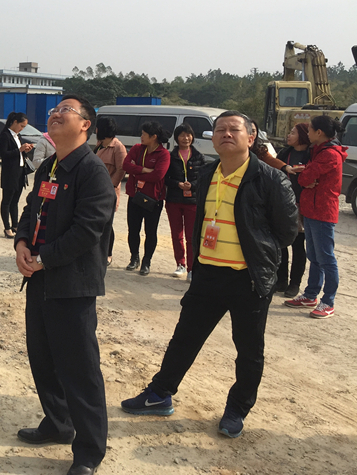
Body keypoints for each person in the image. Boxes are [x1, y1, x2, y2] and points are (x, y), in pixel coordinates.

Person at [120, 111, 297, 438]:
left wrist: (258, 255)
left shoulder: (271, 179)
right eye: (220, 130)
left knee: (248, 350)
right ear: (212, 138)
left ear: (250, 138)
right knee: (184, 338)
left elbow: (287, 231)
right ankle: (159, 394)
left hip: (249, 279)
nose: (226, 134)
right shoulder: (206, 173)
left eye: (234, 129)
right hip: (207, 275)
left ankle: (237, 409)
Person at [14, 95, 116, 475]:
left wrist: (43, 258)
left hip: (72, 285)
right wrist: (22, 244)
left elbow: (87, 230)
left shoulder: (92, 172)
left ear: (85, 125)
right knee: (43, 358)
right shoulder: (50, 166)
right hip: (40, 278)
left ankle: (89, 451)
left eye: (65, 111)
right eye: (54, 111)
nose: (55, 115)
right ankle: (58, 423)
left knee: (79, 369)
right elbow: (31, 210)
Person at [284, 116, 346, 319]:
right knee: (314, 256)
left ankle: (328, 301)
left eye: (310, 129)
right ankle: (311, 294)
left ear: (319, 133)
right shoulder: (318, 151)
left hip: (322, 211)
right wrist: (306, 175)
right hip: (311, 209)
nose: (307, 133)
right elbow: (308, 176)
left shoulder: (329, 154)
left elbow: (305, 178)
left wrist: (304, 175)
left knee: (326, 258)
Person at [122, 121, 170, 275]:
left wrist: (136, 173)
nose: (141, 137)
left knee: (150, 231)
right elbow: (125, 165)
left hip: (153, 199)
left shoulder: (163, 154)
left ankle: (146, 261)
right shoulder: (137, 148)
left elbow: (158, 175)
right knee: (133, 229)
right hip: (135, 196)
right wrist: (144, 169)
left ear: (153, 137)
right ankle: (134, 257)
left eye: (144, 134)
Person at [164, 124, 207, 279]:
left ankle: (191, 268)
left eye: (188, 135)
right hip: (174, 200)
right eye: (182, 135)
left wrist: (192, 185)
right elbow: (165, 178)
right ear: (176, 138)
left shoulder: (199, 157)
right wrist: (178, 184)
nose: (186, 138)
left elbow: (204, 178)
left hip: (192, 201)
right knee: (176, 235)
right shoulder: (170, 156)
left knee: (191, 236)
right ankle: (180, 264)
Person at [275, 123, 310, 297]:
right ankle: (281, 280)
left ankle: (294, 283)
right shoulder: (284, 154)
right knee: (281, 244)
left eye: (293, 133)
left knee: (298, 246)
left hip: (301, 206)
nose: (289, 135)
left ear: (302, 135)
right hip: (283, 204)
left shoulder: (310, 155)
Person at [93, 116, 126, 265]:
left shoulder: (118, 147)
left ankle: (108, 253)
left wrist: (110, 186)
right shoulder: (99, 144)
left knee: (107, 224)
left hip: (108, 191)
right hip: (94, 189)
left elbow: (121, 169)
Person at [0, 112, 34, 238]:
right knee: (7, 201)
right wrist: (19, 150)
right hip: (10, 173)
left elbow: (19, 154)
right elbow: (4, 154)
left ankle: (15, 225)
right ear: (15, 122)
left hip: (20, 172)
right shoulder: (5, 135)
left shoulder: (17, 136)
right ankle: (7, 227)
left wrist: (25, 150)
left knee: (15, 201)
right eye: (21, 126)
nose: (22, 129)